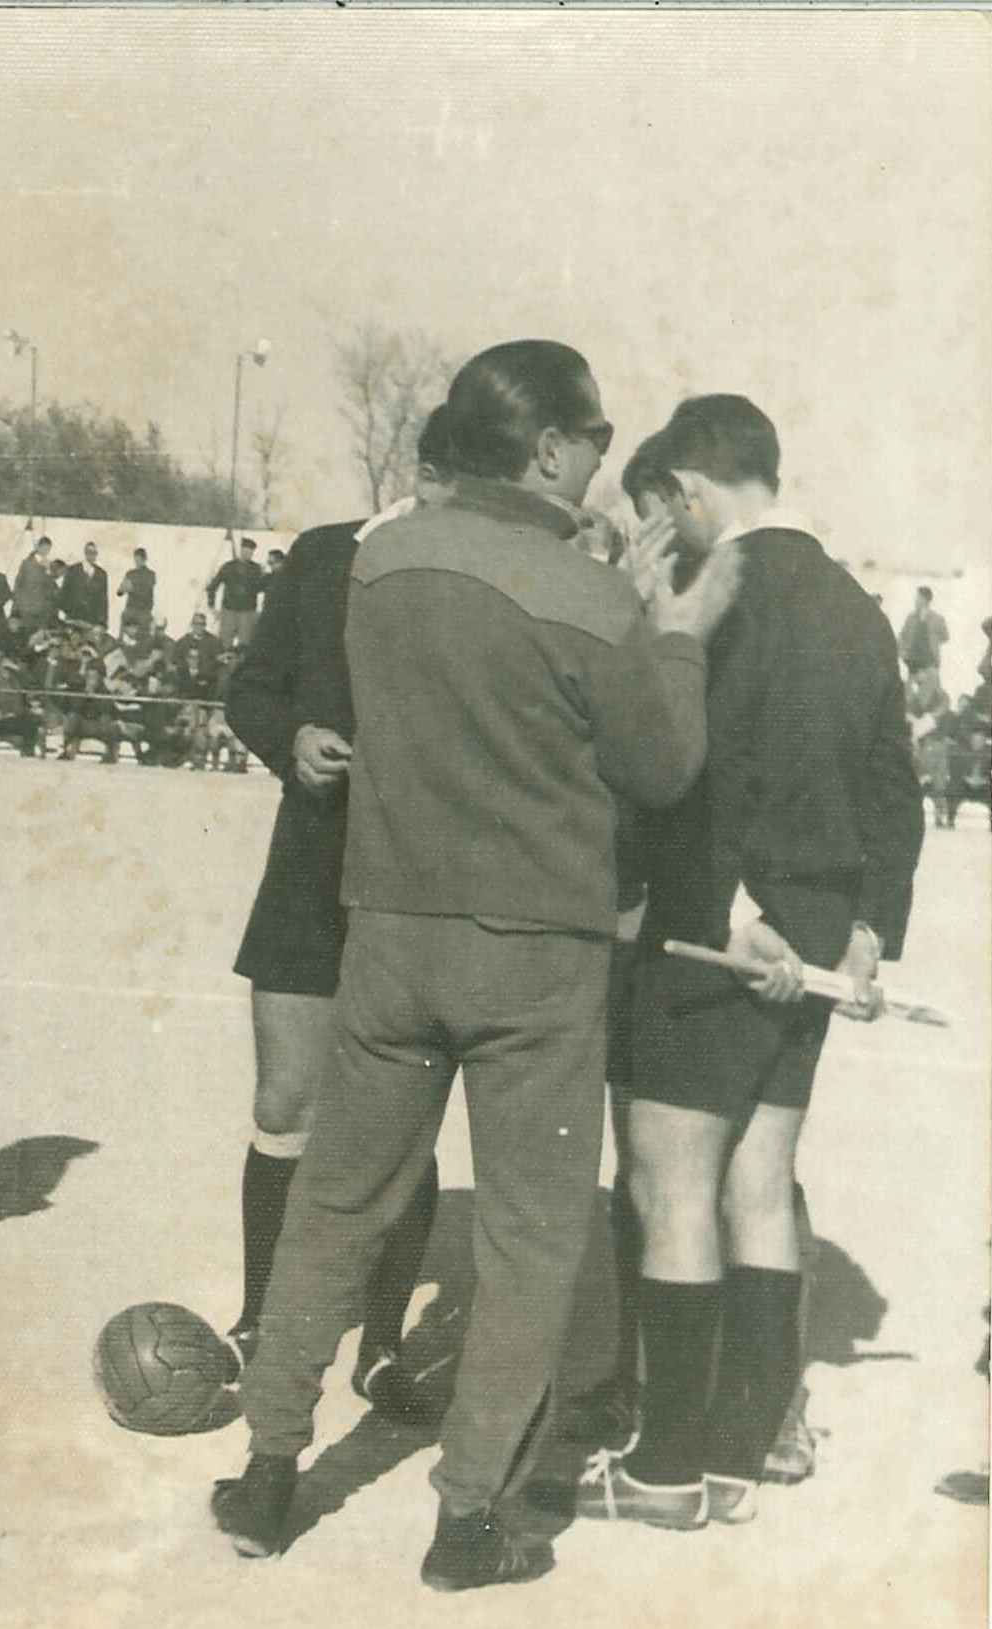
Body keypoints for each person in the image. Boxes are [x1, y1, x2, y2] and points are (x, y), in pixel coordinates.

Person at [220, 340, 738, 1591]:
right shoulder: (587, 594)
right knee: (526, 1242)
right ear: (548, 447)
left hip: (388, 930)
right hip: (535, 955)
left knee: (332, 1204)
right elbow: (660, 766)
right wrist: (671, 633)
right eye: (594, 440)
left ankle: (267, 1471)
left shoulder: (381, 558)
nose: (602, 462)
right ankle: (467, 1523)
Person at [577, 396, 922, 1531]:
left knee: (670, 1184)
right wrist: (864, 932)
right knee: (759, 1186)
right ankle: (733, 1460)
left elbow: (699, 772)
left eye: (665, 507)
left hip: (719, 927)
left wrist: (724, 912)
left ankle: (664, 1469)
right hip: (819, 932)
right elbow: (893, 794)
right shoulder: (856, 606)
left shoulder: (717, 588)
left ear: (688, 489)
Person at [212, 420, 459, 1432]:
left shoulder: (497, 577)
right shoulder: (324, 556)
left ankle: (382, 1346)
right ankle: (257, 1320)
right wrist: (294, 737)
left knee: (404, 1115)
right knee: (285, 1098)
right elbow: (249, 690)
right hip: (311, 869)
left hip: (429, 881)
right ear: (425, 473)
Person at [210, 538, 264, 650]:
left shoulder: (256, 569)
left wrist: (260, 610)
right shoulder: (228, 567)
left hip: (247, 613)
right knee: (224, 644)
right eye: (245, 550)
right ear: (241, 550)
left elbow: (262, 589)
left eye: (250, 552)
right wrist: (212, 607)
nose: (247, 554)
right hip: (229, 611)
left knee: (245, 645)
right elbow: (213, 586)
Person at [899, 586, 949, 679]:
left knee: (930, 685)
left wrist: (933, 639)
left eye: (917, 598)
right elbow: (902, 636)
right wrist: (903, 654)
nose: (915, 600)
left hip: (930, 663)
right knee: (912, 686)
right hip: (913, 663)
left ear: (925, 600)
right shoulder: (911, 617)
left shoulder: (937, 618)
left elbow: (945, 637)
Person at [60, 539, 110, 631]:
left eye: (94, 553)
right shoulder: (73, 570)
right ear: (85, 552)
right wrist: (68, 613)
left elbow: (103, 600)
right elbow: (64, 593)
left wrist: (103, 623)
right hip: (73, 619)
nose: (92, 555)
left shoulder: (102, 574)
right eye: (89, 552)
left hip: (92, 621)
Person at [12, 535, 59, 633]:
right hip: (27, 609)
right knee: (27, 634)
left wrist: (49, 571)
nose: (46, 551)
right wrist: (19, 605)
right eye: (44, 548)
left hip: (42, 610)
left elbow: (52, 588)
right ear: (38, 547)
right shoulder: (26, 563)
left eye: (48, 549)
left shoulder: (50, 566)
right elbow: (17, 585)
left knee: (40, 636)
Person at [120, 547, 157, 633]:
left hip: (143, 612)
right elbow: (120, 592)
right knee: (125, 635)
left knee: (143, 636)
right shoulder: (130, 573)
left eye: (139, 559)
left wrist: (131, 588)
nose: (137, 562)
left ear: (145, 559)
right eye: (136, 559)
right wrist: (123, 588)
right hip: (130, 610)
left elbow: (145, 592)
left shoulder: (150, 574)